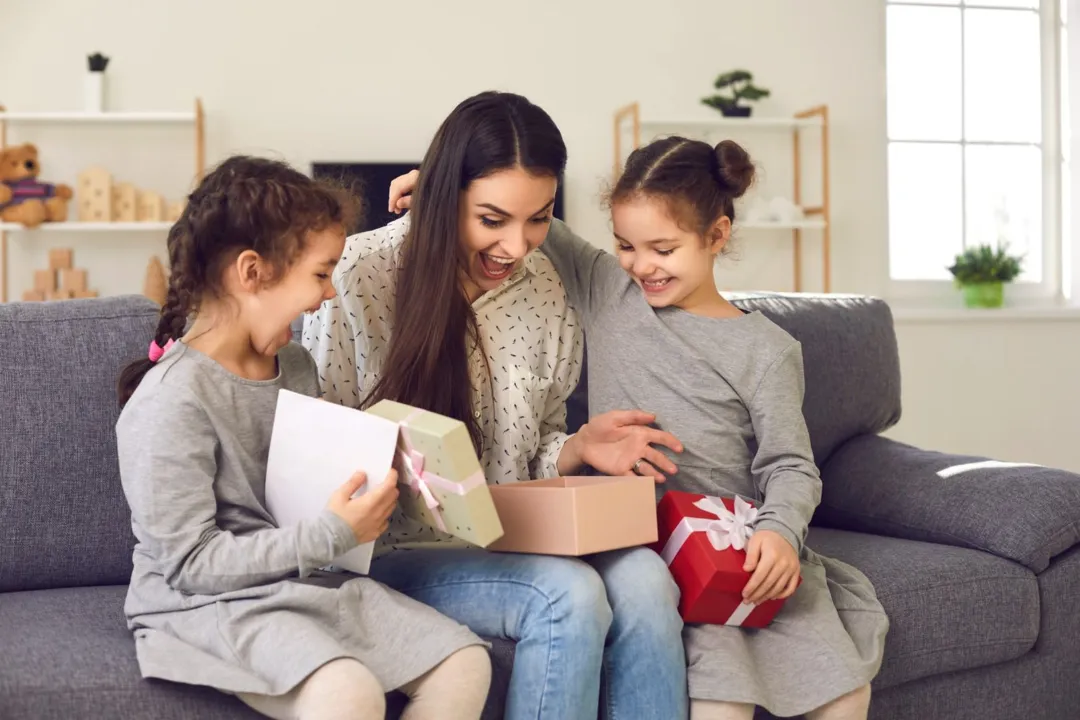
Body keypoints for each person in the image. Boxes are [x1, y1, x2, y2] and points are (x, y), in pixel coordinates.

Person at [303, 91, 688, 720]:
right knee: (569, 595)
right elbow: (316, 450)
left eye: (538, 219)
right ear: (444, 197)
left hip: (513, 536)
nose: (518, 245)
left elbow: (535, 446)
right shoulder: (353, 277)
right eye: (492, 220)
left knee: (646, 580)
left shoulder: (546, 291)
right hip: (390, 553)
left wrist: (574, 450)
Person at [496, 135, 889, 720]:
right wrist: (442, 181)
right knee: (720, 697)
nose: (641, 265)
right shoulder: (609, 288)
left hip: (738, 546)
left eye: (663, 248)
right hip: (656, 555)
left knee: (844, 689)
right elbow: (531, 218)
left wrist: (780, 533)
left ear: (716, 235)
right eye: (626, 245)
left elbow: (789, 463)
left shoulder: (767, 349)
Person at [114, 155, 491, 720]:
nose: (330, 295)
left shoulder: (293, 365)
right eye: (320, 273)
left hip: (300, 579)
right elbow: (190, 563)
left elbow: (306, 483)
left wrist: (384, 469)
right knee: (349, 692)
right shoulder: (171, 401)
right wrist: (332, 533)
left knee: (464, 661)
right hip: (202, 601)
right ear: (252, 272)